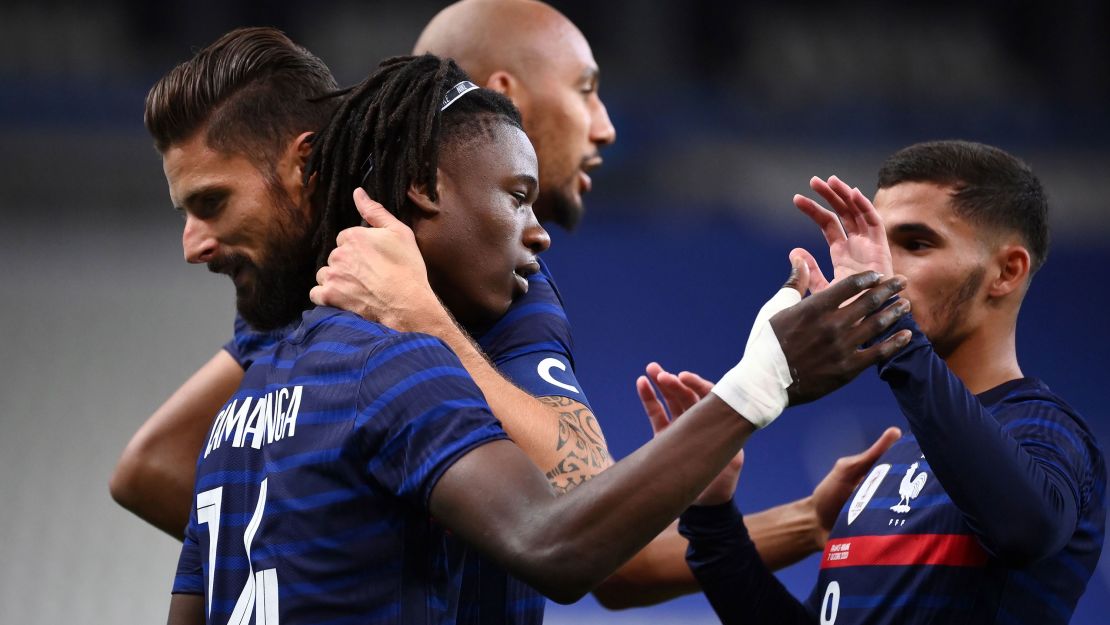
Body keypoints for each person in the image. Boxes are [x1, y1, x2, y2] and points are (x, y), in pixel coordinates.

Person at [165, 51, 913, 624]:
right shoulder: (392, 362)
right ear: (423, 184)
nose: (539, 232)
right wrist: (764, 376)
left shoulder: (246, 399)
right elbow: (560, 543)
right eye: (517, 196)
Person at [676, 141, 1107, 624]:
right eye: (877, 242)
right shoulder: (891, 463)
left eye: (915, 244)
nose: (881, 266)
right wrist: (711, 517)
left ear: (1006, 271)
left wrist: (892, 329)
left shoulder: (1046, 432)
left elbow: (1023, 532)